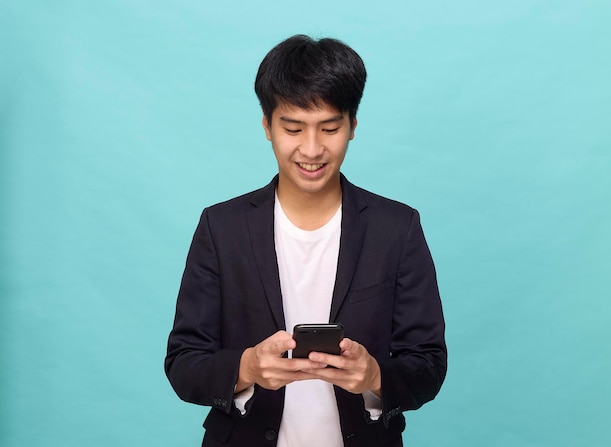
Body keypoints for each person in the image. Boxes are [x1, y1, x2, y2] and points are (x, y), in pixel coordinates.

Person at [165, 34, 447, 447]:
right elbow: (183, 362)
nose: (311, 149)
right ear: (267, 126)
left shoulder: (396, 228)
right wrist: (247, 368)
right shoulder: (221, 227)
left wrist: (374, 377)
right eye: (293, 128)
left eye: (329, 128)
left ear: (352, 125)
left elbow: (428, 363)